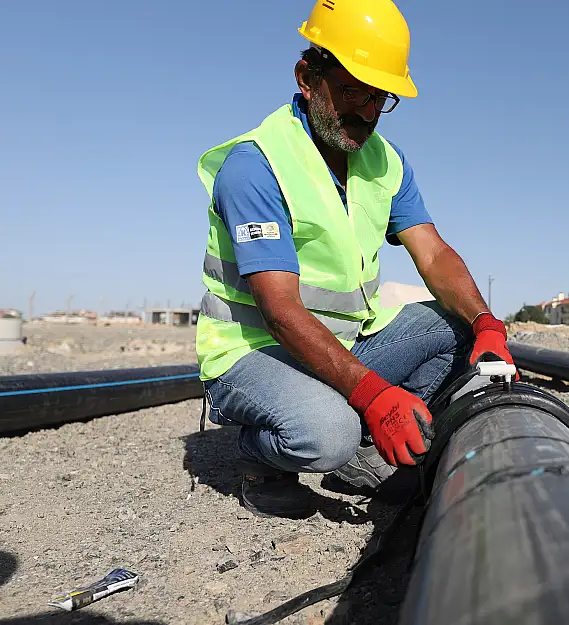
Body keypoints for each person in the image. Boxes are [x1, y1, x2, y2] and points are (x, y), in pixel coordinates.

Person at [193, 0, 515, 519]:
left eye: (378, 97)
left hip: (335, 348)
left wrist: (485, 323)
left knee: (453, 325)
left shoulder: (384, 161)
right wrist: (373, 395)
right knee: (328, 434)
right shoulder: (256, 166)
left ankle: (360, 444)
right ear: (307, 77)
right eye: (350, 91)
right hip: (253, 354)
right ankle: (262, 458)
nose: (365, 112)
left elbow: (432, 252)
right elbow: (279, 309)